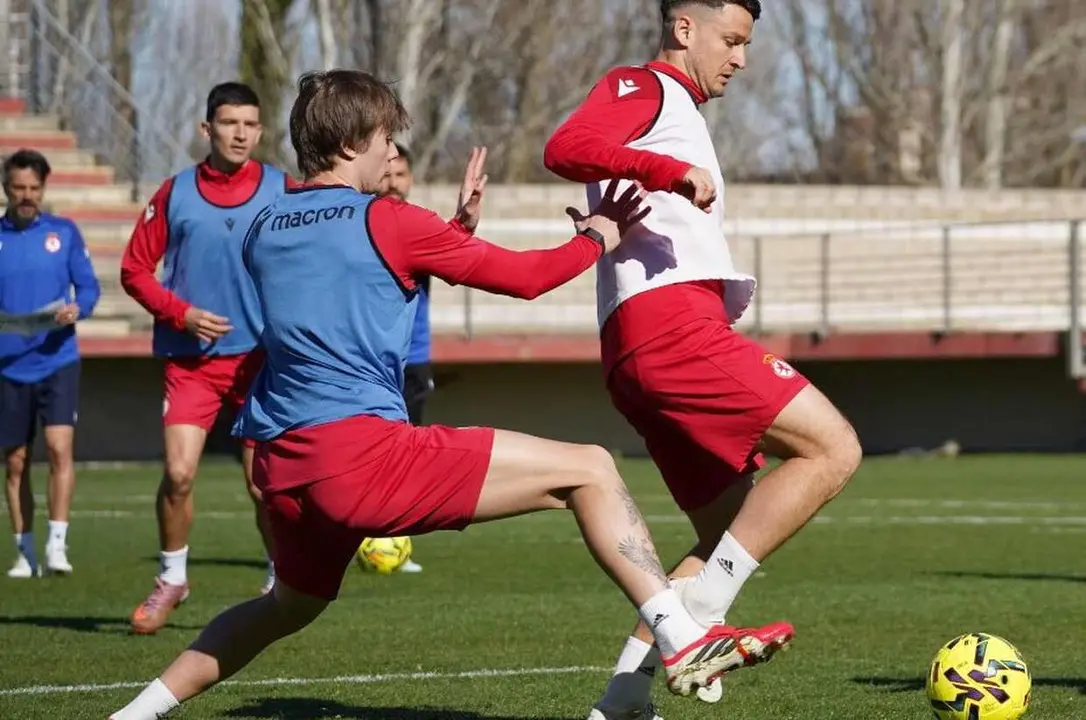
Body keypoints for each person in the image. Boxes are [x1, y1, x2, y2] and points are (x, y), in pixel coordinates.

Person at [107, 69, 782, 720]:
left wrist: (452, 233)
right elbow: (527, 278)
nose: (392, 153)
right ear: (349, 146)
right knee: (592, 469)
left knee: (287, 606)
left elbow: (349, 286)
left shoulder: (263, 227)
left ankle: (137, 712)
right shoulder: (392, 219)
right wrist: (597, 236)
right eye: (384, 139)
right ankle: (681, 639)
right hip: (361, 457)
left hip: (282, 467)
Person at [543, 1, 863, 717]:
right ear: (684, 29)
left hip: (641, 346)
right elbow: (563, 147)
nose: (741, 59)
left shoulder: (675, 107)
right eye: (733, 40)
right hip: (670, 331)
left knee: (727, 531)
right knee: (832, 448)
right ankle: (699, 638)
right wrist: (665, 168)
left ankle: (623, 697)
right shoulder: (643, 87)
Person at [120, 82, 291, 634]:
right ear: (206, 129)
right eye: (229, 123)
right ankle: (173, 577)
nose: (240, 133)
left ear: (260, 130)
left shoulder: (281, 189)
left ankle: (279, 578)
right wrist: (182, 313)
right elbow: (134, 271)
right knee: (178, 473)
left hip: (262, 363)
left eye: (250, 124)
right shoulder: (174, 193)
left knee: (263, 485)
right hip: (191, 362)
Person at [0, 149, 100, 578]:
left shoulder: (65, 232)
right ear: (6, 188)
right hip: (7, 364)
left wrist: (78, 309)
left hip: (58, 359)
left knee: (60, 448)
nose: (27, 196)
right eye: (19, 188)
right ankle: (25, 552)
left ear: (44, 188)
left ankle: (57, 545)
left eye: (34, 189)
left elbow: (90, 288)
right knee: (17, 460)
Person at [376, 140, 427, 573]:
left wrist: (462, 228)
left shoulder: (416, 225)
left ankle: (393, 537)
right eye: (387, 173)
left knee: (405, 452)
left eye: (401, 175)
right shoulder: (369, 225)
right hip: (375, 361)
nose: (394, 183)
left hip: (415, 358)